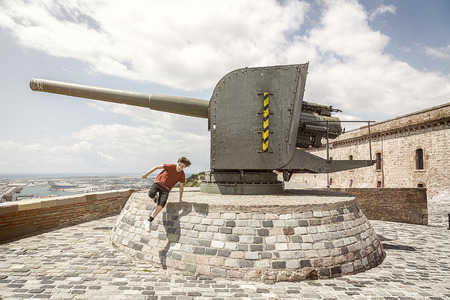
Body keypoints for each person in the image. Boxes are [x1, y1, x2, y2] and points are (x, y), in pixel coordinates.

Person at [141, 156, 191, 231]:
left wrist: (180, 199)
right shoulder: (170, 166)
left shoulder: (182, 175)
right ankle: (155, 198)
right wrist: (146, 175)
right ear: (177, 163)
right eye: (179, 164)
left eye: (182, 166)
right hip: (158, 183)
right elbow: (156, 167)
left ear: (185, 167)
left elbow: (181, 187)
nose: (179, 167)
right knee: (151, 193)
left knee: (162, 203)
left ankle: (148, 221)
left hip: (166, 189)